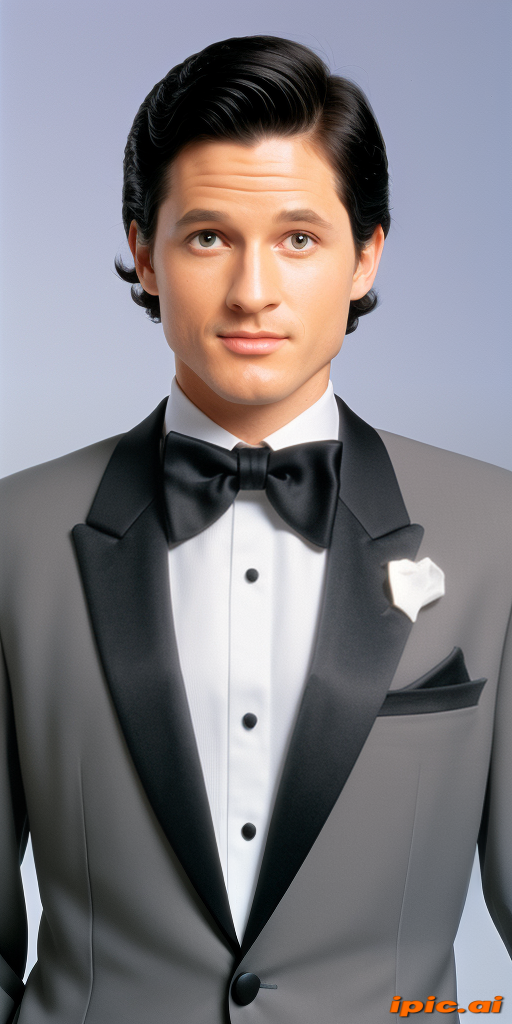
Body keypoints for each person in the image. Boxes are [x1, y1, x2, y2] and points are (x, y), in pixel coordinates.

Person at [0, 34, 511, 1024]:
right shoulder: (13, 539)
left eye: (297, 238)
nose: (250, 291)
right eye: (205, 237)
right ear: (143, 252)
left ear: (364, 257)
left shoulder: (495, 533)